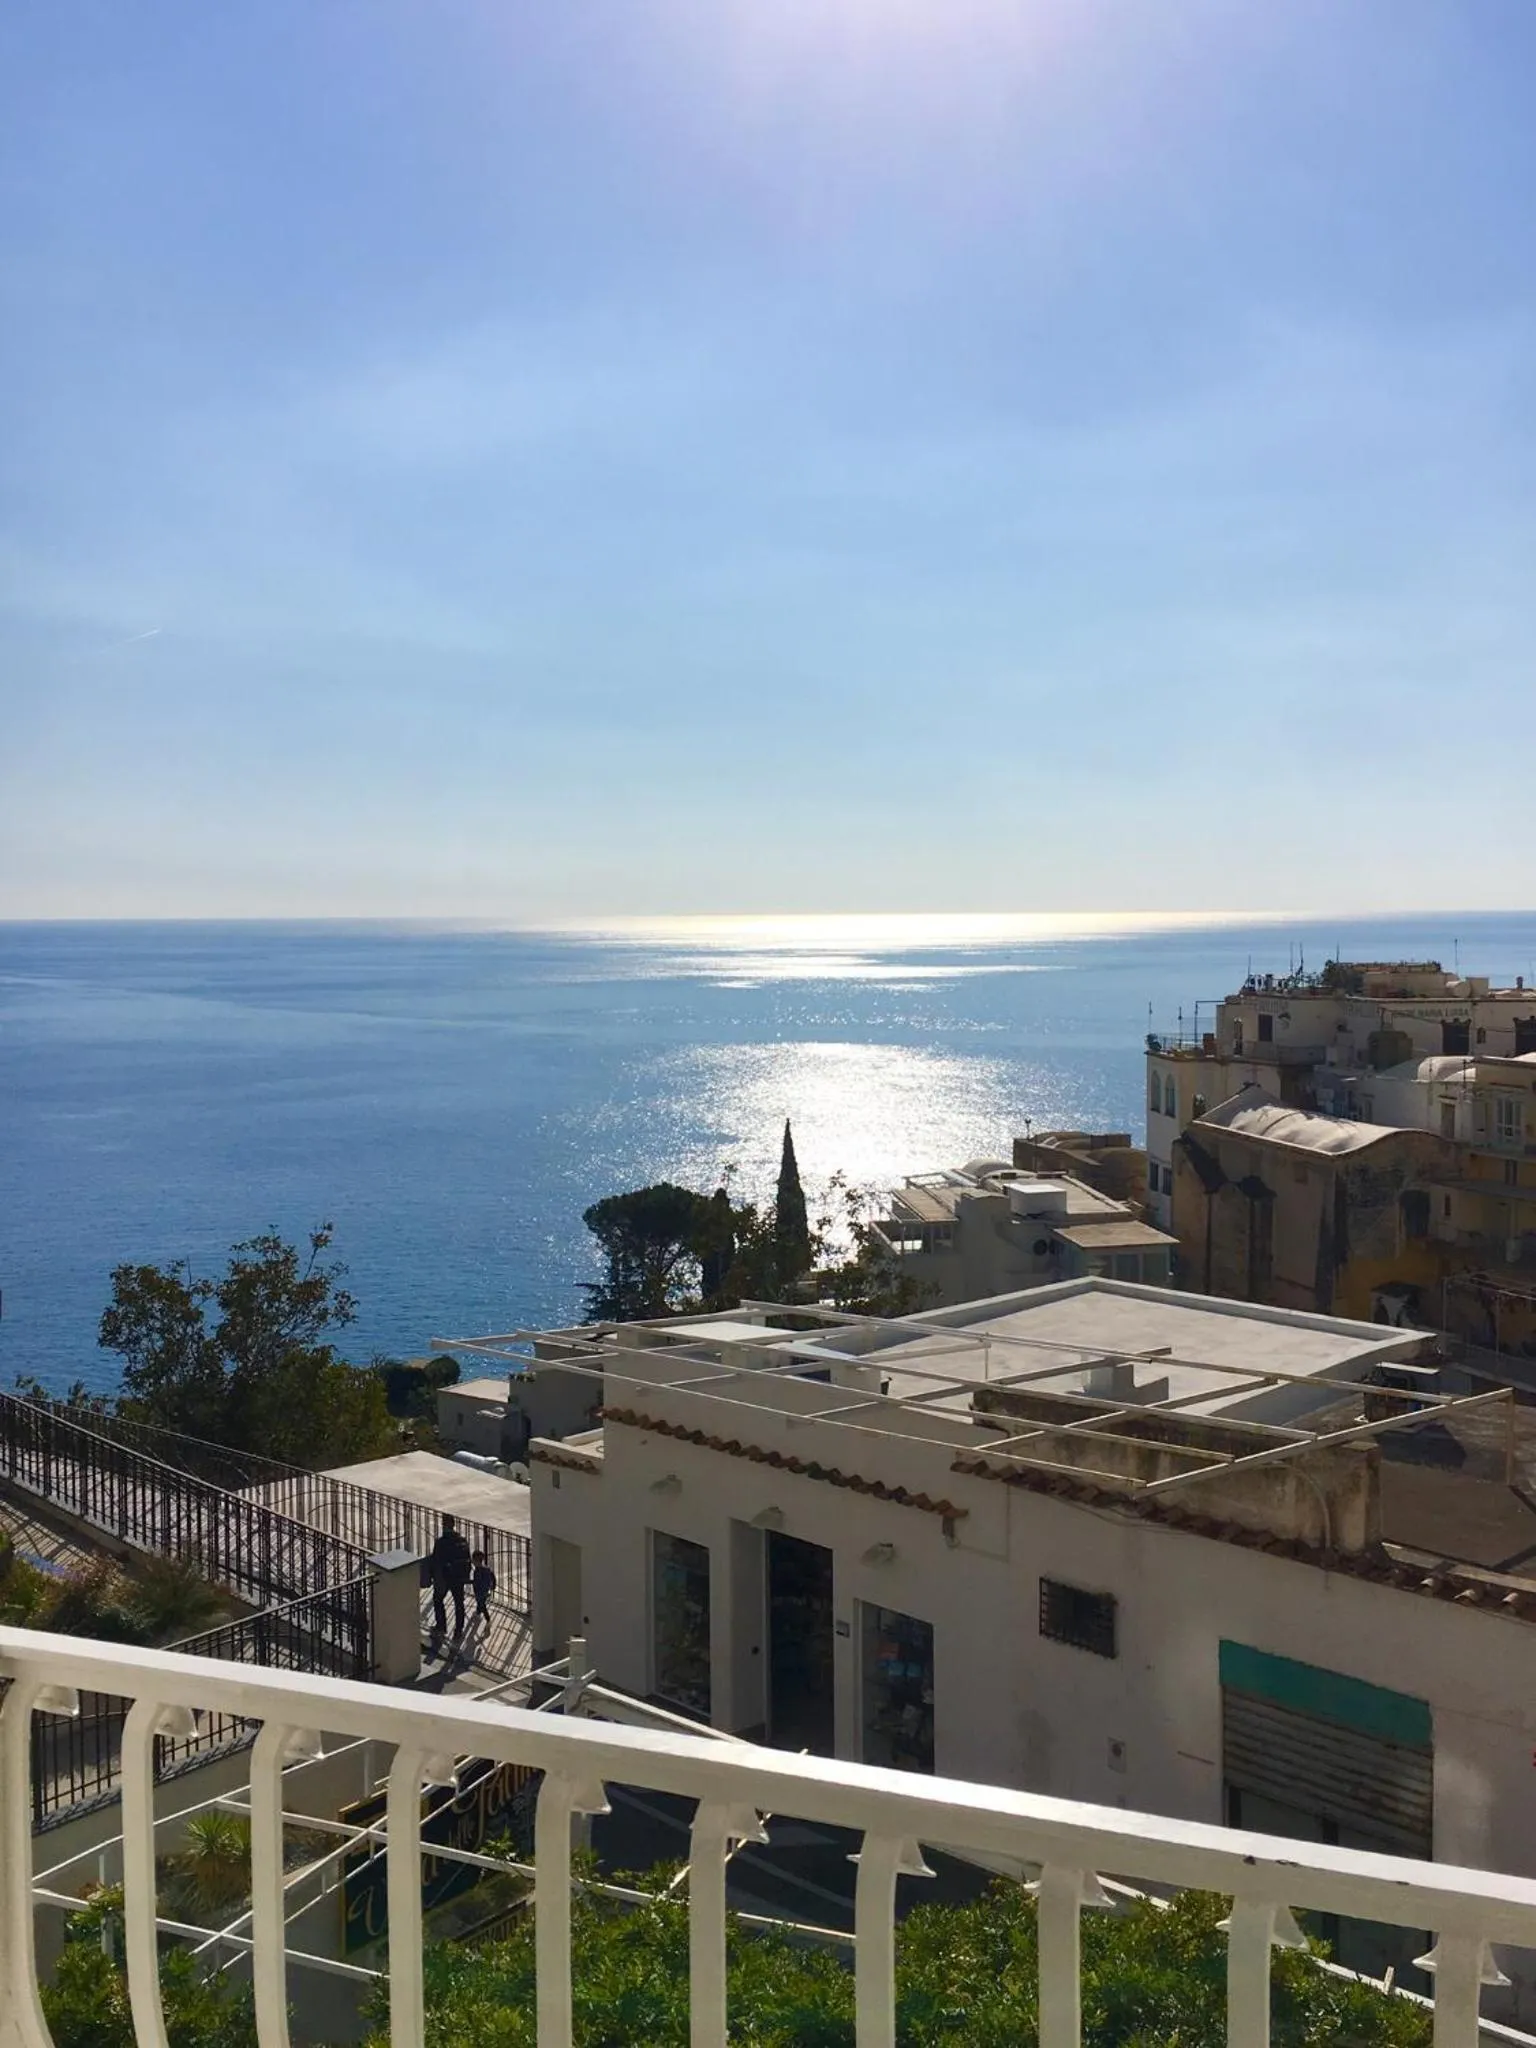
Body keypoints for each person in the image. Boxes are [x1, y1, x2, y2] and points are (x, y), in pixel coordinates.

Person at [429, 1513, 472, 1640]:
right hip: (459, 1577)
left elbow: (436, 1561)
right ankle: (458, 1630)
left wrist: (433, 1576)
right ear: (453, 1525)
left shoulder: (441, 1542)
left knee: (438, 1600)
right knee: (459, 1603)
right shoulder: (462, 1540)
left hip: (445, 1577)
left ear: (443, 1525)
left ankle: (441, 1626)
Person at [471, 1549, 496, 1625]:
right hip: (486, 1590)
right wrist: (493, 1586)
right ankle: (478, 1613)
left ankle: (488, 1619)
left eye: (473, 1560)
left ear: (476, 1561)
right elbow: (493, 1577)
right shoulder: (487, 1569)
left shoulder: (477, 1571)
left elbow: (477, 1582)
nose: (472, 1562)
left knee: (482, 1605)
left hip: (480, 1591)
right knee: (480, 1603)